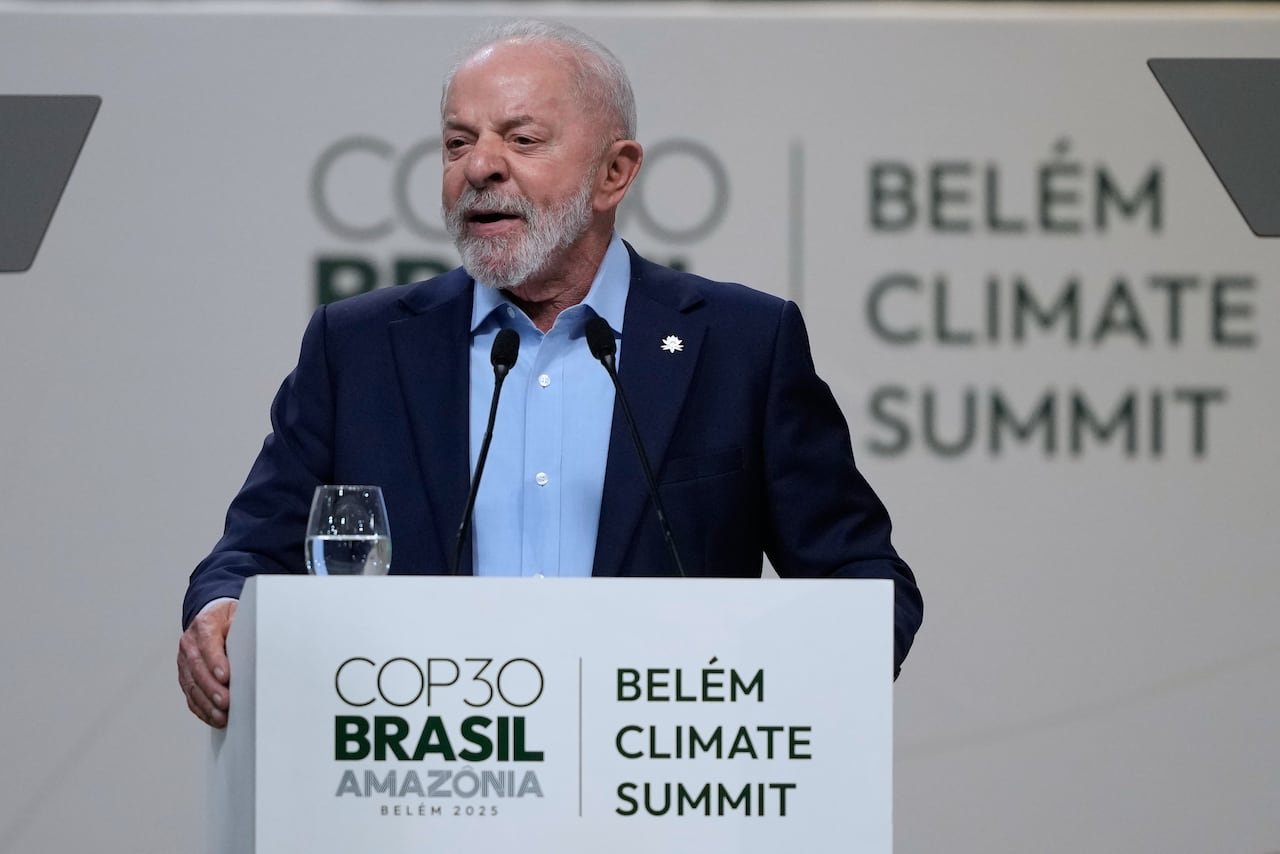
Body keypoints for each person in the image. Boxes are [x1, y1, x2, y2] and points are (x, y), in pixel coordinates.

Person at [177, 19, 923, 728]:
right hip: (427, 774)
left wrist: (801, 695)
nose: (479, 166)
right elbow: (253, 552)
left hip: (658, 774)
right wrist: (220, 612)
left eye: (522, 138)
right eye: (457, 142)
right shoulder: (359, 348)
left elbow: (860, 575)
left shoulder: (741, 345)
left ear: (614, 173)